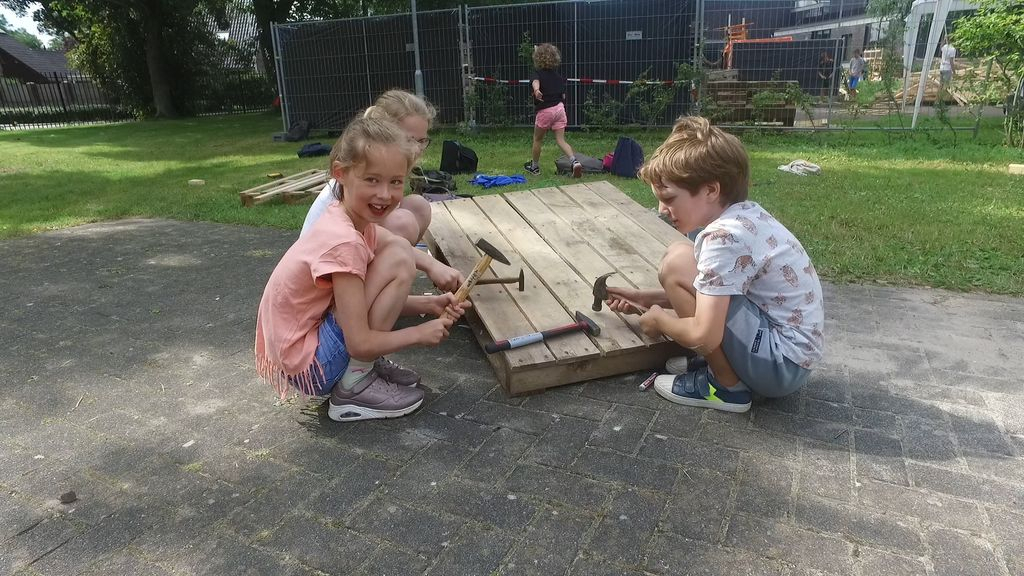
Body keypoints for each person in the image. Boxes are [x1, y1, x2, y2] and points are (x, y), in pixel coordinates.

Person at [255, 116, 470, 422]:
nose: (385, 194)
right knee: (398, 258)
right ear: (340, 174)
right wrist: (419, 333)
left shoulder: (347, 219)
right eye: (372, 180)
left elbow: (360, 300)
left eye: (395, 181)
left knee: (397, 250)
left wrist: (429, 303)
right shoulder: (344, 242)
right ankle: (354, 384)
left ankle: (360, 368)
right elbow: (359, 341)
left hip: (307, 348)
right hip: (311, 368)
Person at [604, 116, 824, 413]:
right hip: (786, 358)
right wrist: (646, 298)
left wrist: (658, 319)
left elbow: (702, 334)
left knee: (677, 264)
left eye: (669, 197)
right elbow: (715, 293)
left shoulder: (723, 238)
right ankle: (717, 365)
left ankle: (726, 387)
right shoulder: (742, 217)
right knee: (678, 254)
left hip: (778, 365)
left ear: (710, 190)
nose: (662, 209)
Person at [302, 90, 463, 293]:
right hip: (326, 279)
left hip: (349, 255)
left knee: (418, 206)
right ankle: (371, 301)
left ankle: (386, 289)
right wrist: (430, 264)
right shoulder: (354, 185)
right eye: (410, 140)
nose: (418, 149)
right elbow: (373, 237)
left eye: (422, 141)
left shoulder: (377, 168)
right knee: (402, 222)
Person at [523, 43, 583, 178]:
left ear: (537, 58)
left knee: (537, 139)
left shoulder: (537, 73)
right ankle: (574, 161)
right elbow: (563, 95)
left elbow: (535, 82)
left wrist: (537, 90)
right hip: (560, 109)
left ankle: (534, 167)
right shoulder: (558, 77)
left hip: (545, 110)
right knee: (561, 140)